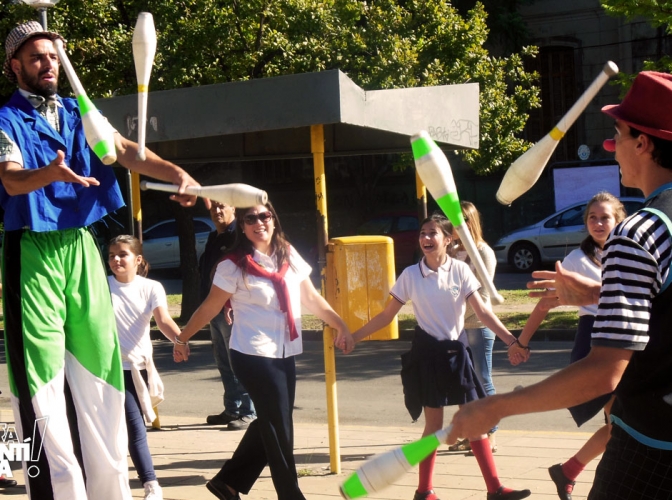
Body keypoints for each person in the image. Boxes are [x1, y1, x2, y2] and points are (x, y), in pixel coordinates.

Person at [0, 21, 205, 500]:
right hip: (29, 248)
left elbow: (125, 152)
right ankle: (52, 491)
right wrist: (46, 173)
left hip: (78, 247)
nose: (48, 64)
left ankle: (112, 491)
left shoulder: (78, 111)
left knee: (102, 372)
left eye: (52, 56)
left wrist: (178, 173)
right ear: (15, 66)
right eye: (36, 58)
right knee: (38, 386)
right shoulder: (5, 119)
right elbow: (9, 180)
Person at [448, 71, 672, 499]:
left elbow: (604, 372)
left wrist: (494, 406)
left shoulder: (637, 232)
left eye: (618, 135)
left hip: (652, 449)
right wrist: (594, 296)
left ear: (643, 143)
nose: (612, 146)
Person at [336, 213, 530, 500]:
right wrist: (354, 336)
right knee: (434, 425)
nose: (425, 238)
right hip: (428, 354)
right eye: (422, 234)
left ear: (448, 239)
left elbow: (484, 313)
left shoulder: (462, 271)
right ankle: (424, 491)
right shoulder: (411, 275)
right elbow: (387, 316)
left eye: (432, 233)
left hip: (458, 353)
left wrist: (512, 341)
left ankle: (495, 489)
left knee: (475, 421)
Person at [173, 201, 352, 500]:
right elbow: (210, 306)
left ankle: (227, 482)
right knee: (279, 425)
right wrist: (182, 338)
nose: (259, 222)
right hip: (252, 353)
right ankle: (290, 494)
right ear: (242, 226)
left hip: (284, 351)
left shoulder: (288, 254)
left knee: (272, 419)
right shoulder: (233, 264)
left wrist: (340, 325)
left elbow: (311, 298)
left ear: (274, 219)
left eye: (264, 216)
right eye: (250, 218)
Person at [510, 192, 626, 500]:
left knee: (624, 425)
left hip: (630, 342)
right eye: (593, 218)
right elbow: (543, 305)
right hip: (596, 344)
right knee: (621, 426)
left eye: (605, 217)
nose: (599, 223)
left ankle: (568, 471)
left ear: (619, 220)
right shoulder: (577, 260)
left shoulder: (630, 255)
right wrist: (521, 342)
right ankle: (581, 476)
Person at [107, 235, 183, 500]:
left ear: (137, 260)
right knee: (118, 428)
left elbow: (163, 320)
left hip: (133, 369)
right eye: (112, 255)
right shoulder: (101, 286)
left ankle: (151, 485)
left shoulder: (151, 287)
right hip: (103, 370)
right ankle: (124, 482)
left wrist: (180, 340)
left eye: (123, 254)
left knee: (134, 428)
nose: (116, 259)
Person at [199, 202, 256, 430]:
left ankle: (248, 412)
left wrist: (229, 302)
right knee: (223, 362)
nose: (217, 211)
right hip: (213, 308)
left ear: (234, 208)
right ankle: (232, 409)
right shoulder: (216, 236)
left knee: (238, 362)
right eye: (213, 207)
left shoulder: (238, 236)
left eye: (222, 206)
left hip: (230, 309)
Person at [449, 201, 498, 454]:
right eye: (455, 220)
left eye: (464, 220)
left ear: (472, 222)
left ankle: (490, 435)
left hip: (478, 325)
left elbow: (481, 291)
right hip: (456, 327)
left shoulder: (483, 252)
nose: (459, 225)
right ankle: (472, 434)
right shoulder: (451, 251)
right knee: (464, 384)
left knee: (482, 379)